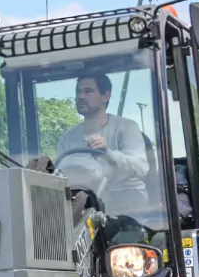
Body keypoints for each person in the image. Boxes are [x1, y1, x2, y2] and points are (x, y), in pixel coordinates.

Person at [55, 72, 150, 210]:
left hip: (126, 199)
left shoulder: (127, 127)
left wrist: (107, 153)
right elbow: (60, 175)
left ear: (106, 96)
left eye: (88, 91)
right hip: (84, 200)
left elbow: (141, 167)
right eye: (78, 91)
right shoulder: (68, 138)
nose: (81, 96)